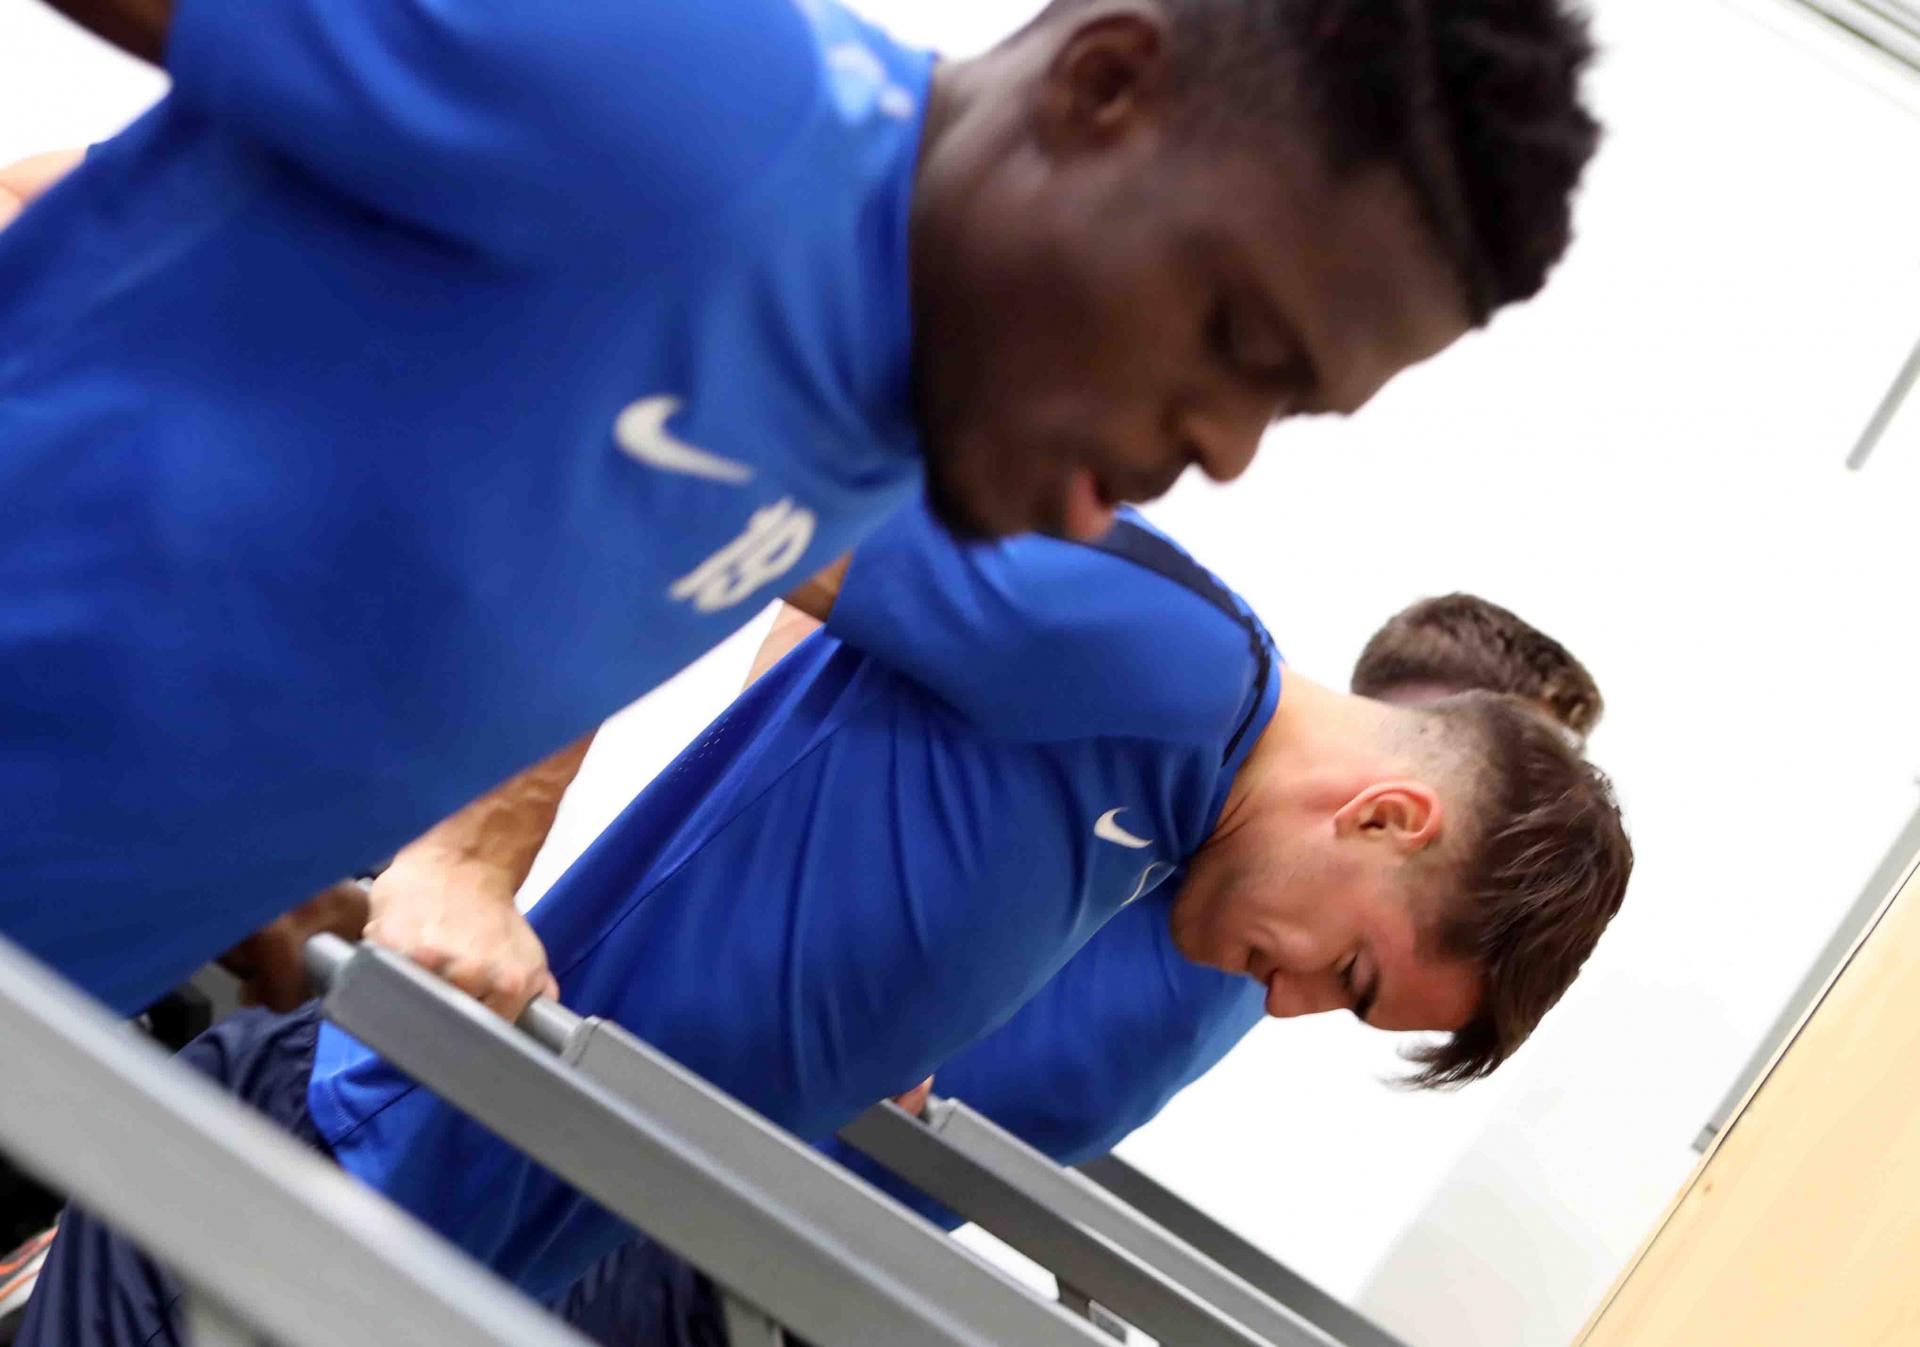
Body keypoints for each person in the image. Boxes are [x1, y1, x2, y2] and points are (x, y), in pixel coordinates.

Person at [0, 0, 1601, 1012]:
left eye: (1289, 406)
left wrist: (235, 854)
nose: (1230, 447)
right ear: (1104, 87)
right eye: (1237, 339)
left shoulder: (905, 427)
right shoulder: (706, 92)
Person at [16, 503, 1631, 1346]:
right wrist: (470, 860)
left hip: (453, 1273)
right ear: (1387, 817)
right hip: (343, 1165)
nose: (1291, 1004)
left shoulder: (1183, 808)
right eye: (1352, 974)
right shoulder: (1159, 656)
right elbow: (701, 491)